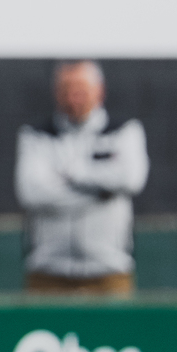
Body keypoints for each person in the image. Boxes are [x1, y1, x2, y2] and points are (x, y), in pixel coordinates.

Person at [15, 60, 149, 295]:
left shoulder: (124, 131)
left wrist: (74, 175)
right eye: (67, 89)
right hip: (48, 272)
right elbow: (32, 192)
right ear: (56, 93)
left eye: (81, 89)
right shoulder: (36, 136)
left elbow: (131, 179)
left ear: (100, 90)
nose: (73, 97)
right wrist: (103, 192)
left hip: (109, 271)